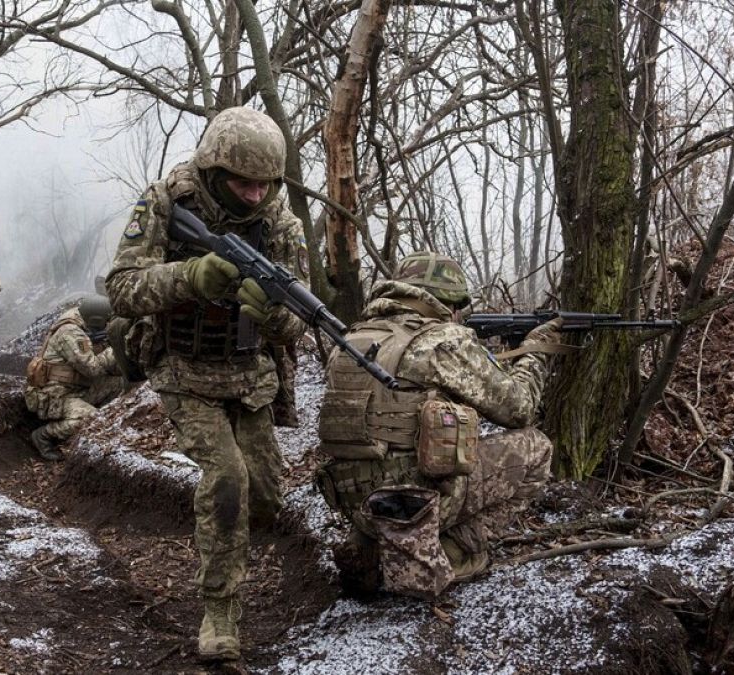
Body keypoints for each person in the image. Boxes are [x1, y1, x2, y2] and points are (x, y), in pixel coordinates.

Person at [105, 106, 310, 663]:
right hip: (183, 369)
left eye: (265, 184)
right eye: (244, 183)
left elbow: (301, 326)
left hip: (250, 377)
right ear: (216, 171)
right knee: (227, 479)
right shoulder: (167, 203)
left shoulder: (280, 223)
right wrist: (187, 277)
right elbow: (120, 289)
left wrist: (270, 313)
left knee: (265, 494)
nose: (255, 195)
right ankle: (219, 611)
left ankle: (228, 544)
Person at [314, 252, 563, 600]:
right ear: (449, 301)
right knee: (536, 447)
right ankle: (452, 550)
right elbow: (518, 408)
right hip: (419, 507)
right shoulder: (442, 340)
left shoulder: (352, 339)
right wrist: (536, 352)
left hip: (355, 504)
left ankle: (370, 547)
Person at [25, 295, 123, 460]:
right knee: (90, 420)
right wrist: (114, 350)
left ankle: (105, 420)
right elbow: (92, 369)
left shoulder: (83, 321)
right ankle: (43, 436)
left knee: (120, 383)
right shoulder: (70, 333)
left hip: (76, 388)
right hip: (55, 395)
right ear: (97, 319)